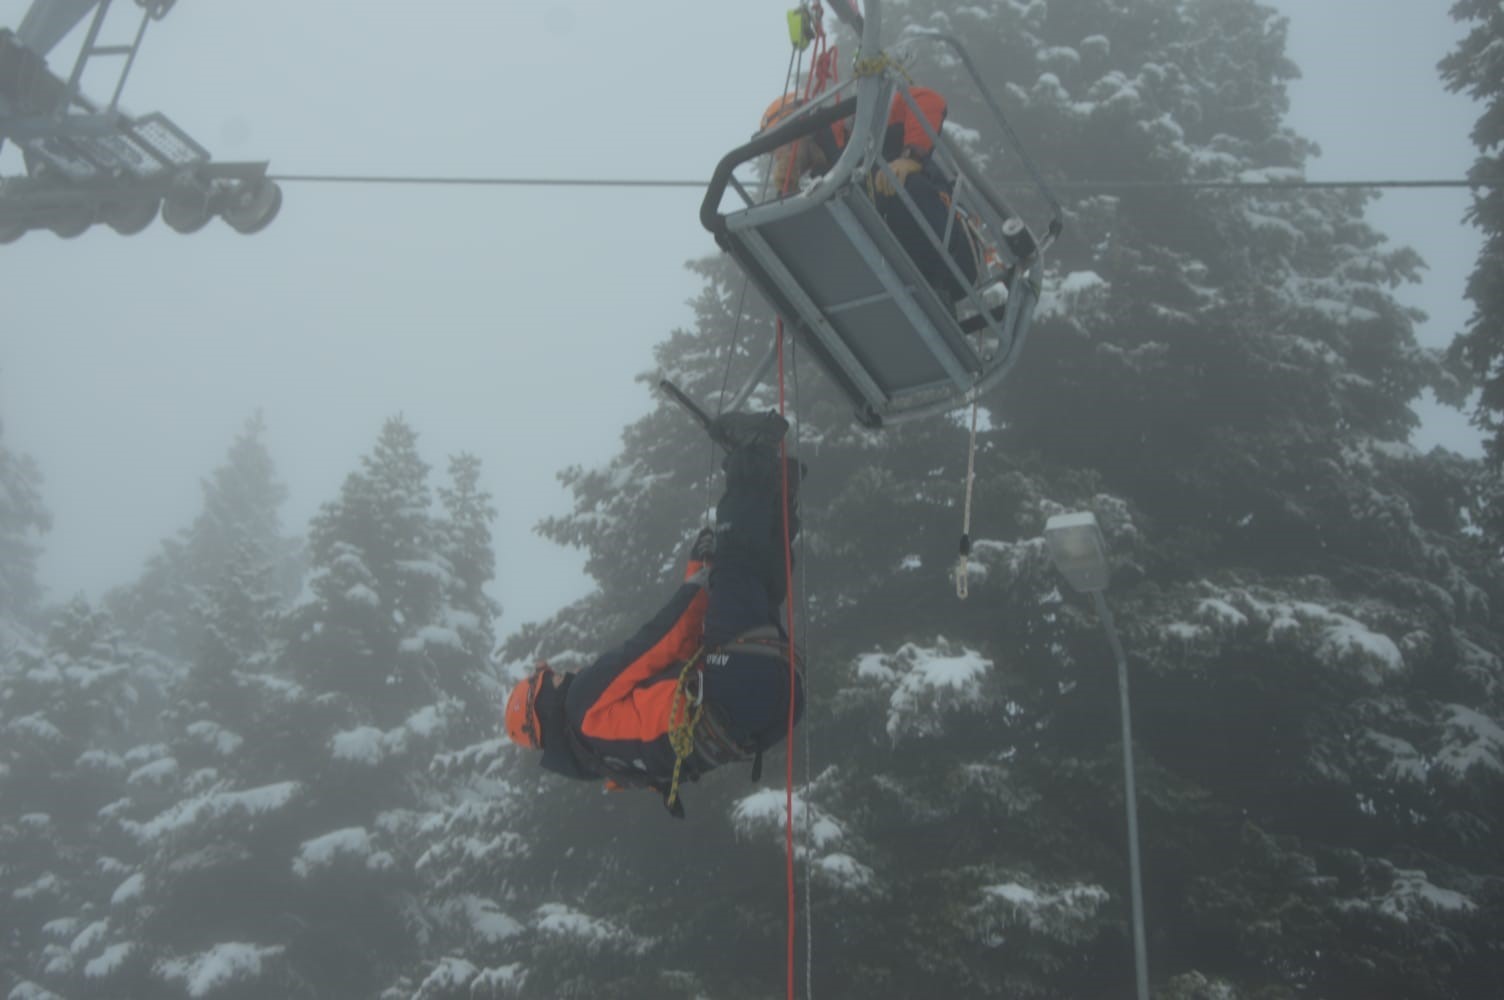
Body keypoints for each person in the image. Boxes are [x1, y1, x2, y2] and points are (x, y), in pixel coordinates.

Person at [502, 410, 805, 818]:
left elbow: (676, 673)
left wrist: (699, 575)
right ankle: (753, 451)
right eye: (551, 679)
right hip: (734, 690)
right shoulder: (582, 702)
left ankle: (775, 492)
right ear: (542, 703)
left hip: (767, 714)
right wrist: (700, 576)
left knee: (754, 587)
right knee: (734, 562)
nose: (562, 674)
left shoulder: (605, 761)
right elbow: (659, 643)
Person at [761, 86, 980, 302]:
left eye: (781, 146)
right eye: (775, 152)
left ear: (800, 128)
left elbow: (927, 99)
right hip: (893, 279)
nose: (779, 157)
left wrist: (912, 156)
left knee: (897, 183)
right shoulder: (813, 182)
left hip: (951, 250)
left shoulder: (859, 123)